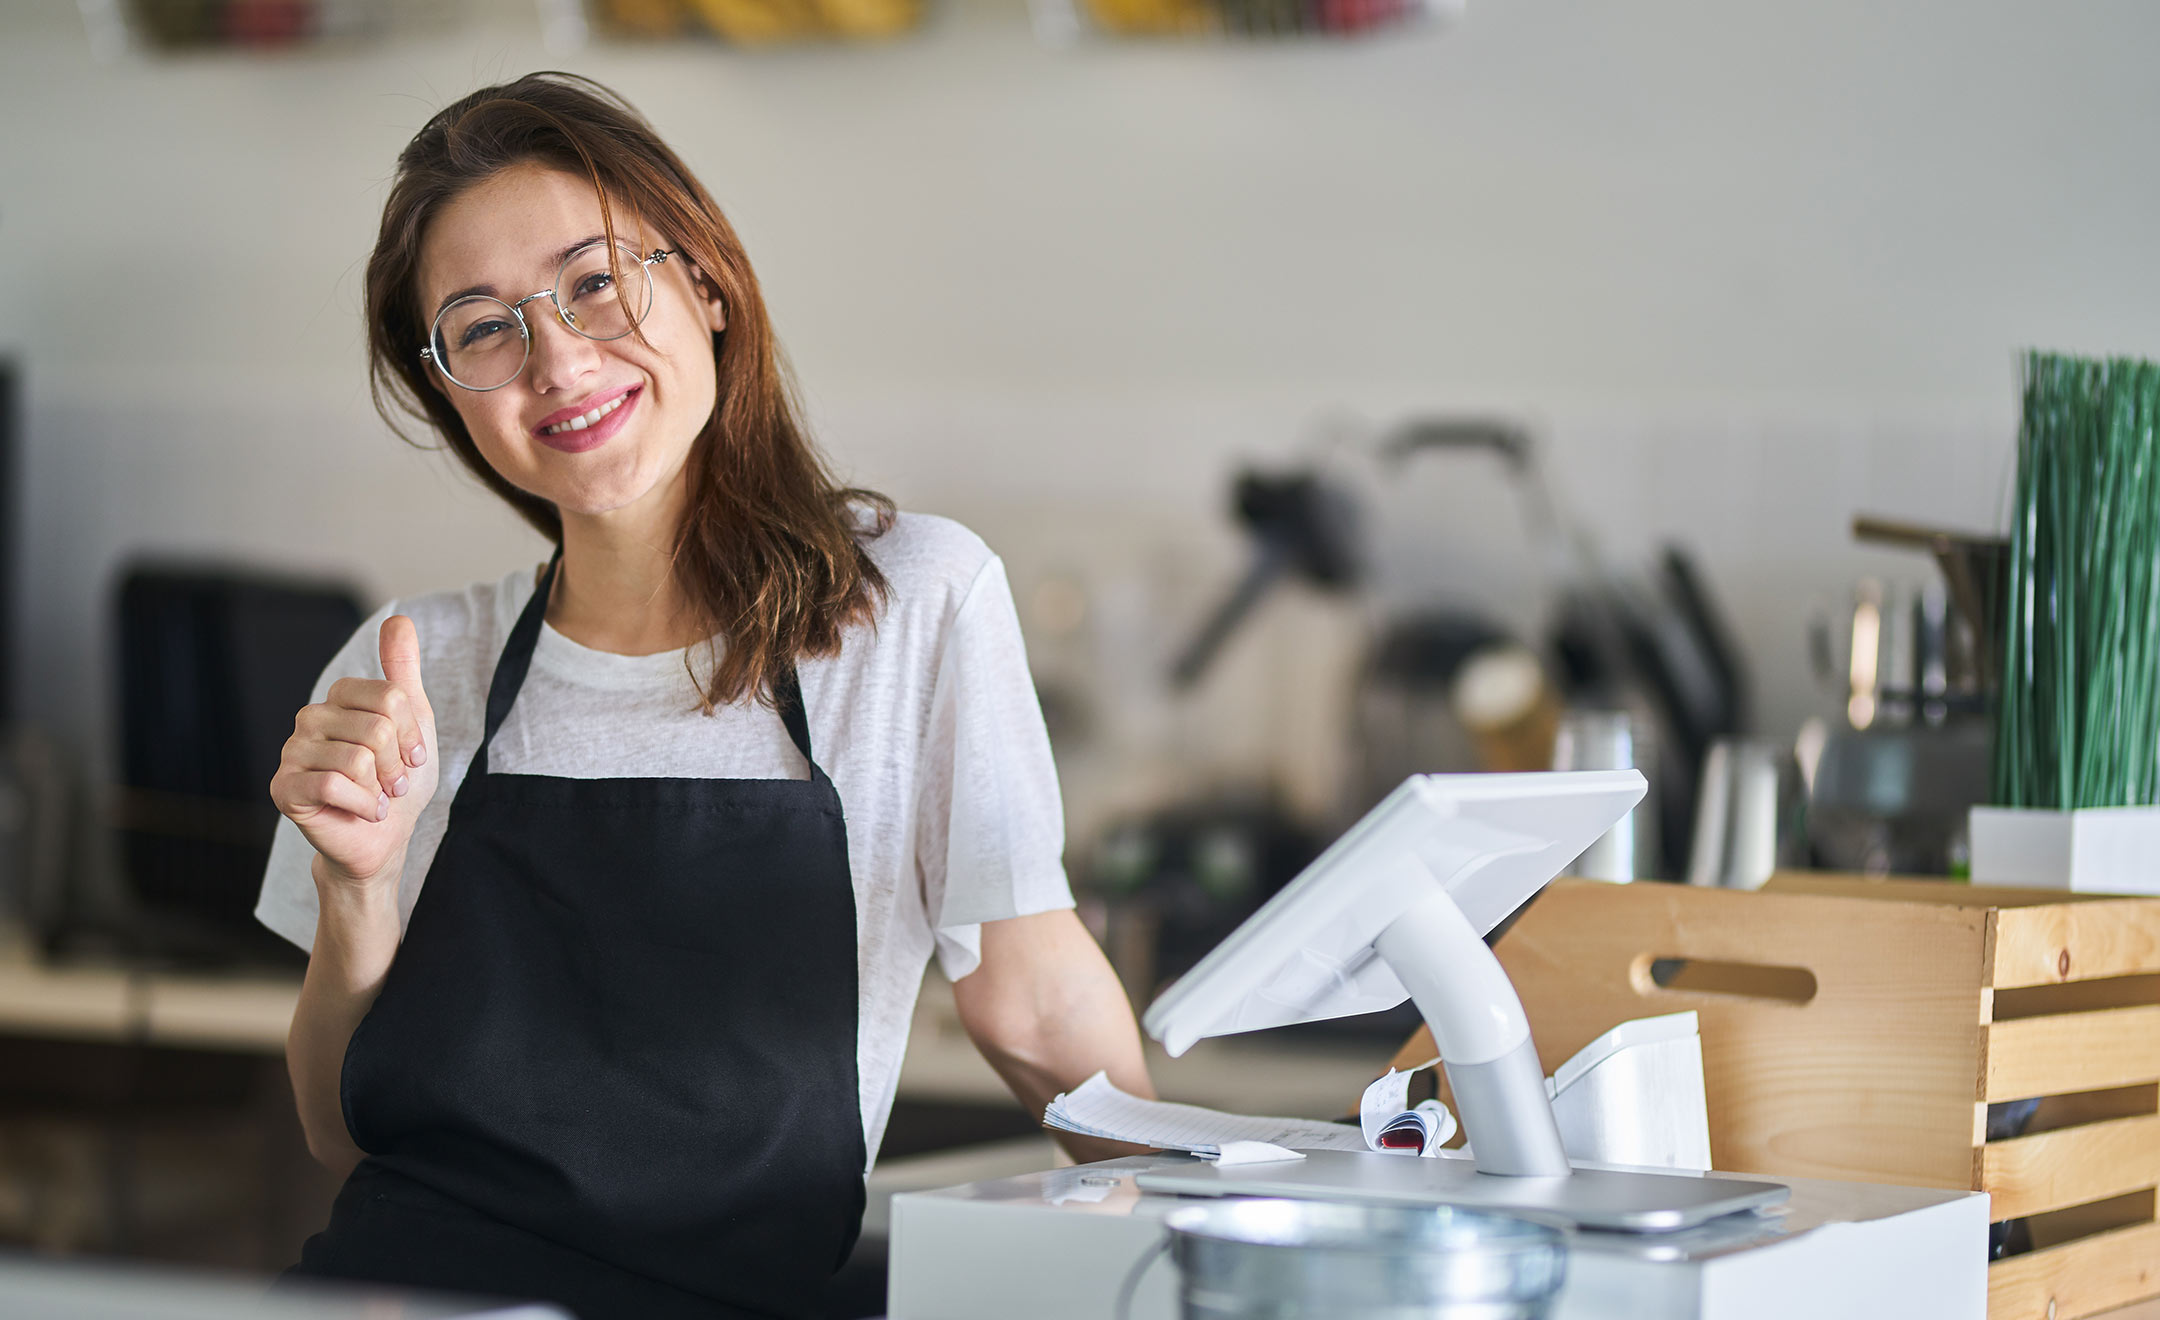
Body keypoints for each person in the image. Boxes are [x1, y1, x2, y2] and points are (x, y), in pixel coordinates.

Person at [256, 71, 1154, 1320]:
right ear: (450, 393)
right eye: (483, 326)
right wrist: (356, 891)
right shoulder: (410, 665)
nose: (559, 359)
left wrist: (1211, 1252)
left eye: (597, 280)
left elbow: (1038, 1003)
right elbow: (343, 1139)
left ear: (709, 284)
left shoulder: (911, 604)